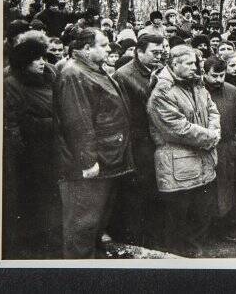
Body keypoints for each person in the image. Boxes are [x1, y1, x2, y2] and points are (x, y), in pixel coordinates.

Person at [53, 28, 134, 258]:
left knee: (94, 222)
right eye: (105, 45)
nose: (110, 49)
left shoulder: (92, 70)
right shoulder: (74, 74)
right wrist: (88, 161)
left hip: (107, 158)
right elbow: (77, 122)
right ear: (86, 48)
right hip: (89, 166)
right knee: (82, 224)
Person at [147, 45, 221, 257]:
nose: (195, 67)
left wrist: (214, 131)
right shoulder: (162, 92)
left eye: (196, 63)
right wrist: (211, 137)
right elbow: (177, 129)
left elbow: (212, 110)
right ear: (174, 64)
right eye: (189, 63)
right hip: (177, 165)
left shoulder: (197, 85)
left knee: (201, 214)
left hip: (202, 160)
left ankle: (193, 254)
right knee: (179, 218)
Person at [3, 31, 62, 258]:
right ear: (23, 62)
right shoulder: (12, 84)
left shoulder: (52, 76)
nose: (41, 62)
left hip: (55, 147)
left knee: (54, 195)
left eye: (42, 57)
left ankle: (52, 237)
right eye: (35, 59)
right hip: (31, 153)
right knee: (33, 197)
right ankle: (34, 244)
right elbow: (14, 122)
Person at [111, 32, 166, 248]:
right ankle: (136, 240)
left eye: (161, 52)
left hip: (155, 140)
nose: (158, 56)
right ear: (138, 51)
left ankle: (152, 238)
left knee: (155, 190)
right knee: (137, 194)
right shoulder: (123, 76)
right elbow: (122, 115)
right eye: (154, 52)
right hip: (137, 142)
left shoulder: (158, 71)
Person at [202, 57, 236, 239]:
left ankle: (223, 230)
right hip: (203, 149)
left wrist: (235, 146)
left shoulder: (233, 92)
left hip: (226, 148)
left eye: (222, 75)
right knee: (206, 191)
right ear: (205, 73)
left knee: (225, 190)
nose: (219, 79)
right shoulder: (197, 91)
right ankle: (205, 231)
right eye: (214, 75)